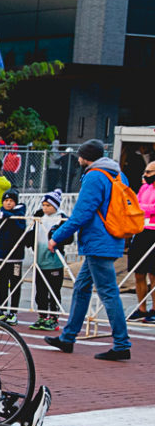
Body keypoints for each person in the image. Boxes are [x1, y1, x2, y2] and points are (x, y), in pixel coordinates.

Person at [44, 140, 134, 360]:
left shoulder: (94, 176)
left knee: (108, 292)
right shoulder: (118, 175)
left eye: (80, 155)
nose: (78, 158)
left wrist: (57, 237)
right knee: (82, 287)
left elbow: (82, 213)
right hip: (112, 237)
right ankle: (68, 337)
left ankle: (122, 343)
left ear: (86, 156)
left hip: (97, 241)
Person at [26, 191, 69, 331]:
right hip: (39, 260)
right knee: (40, 291)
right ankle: (42, 316)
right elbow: (32, 232)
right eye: (44, 205)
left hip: (54, 261)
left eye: (49, 205)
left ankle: (53, 317)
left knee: (54, 290)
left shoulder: (62, 218)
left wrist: (58, 239)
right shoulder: (39, 216)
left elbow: (69, 237)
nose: (46, 208)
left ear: (56, 206)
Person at [0, 189, 27, 322]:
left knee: (15, 283)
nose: (8, 203)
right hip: (0, 254)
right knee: (2, 283)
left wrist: (7, 215)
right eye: (6, 201)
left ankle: (13, 312)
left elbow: (21, 228)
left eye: (11, 201)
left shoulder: (20, 214)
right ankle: (3, 310)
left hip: (15, 256)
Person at [128, 161, 155, 322]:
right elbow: (135, 205)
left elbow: (145, 208)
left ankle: (154, 309)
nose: (145, 175)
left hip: (153, 232)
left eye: (149, 172)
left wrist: (141, 208)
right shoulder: (144, 187)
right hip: (141, 231)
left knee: (153, 274)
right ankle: (142, 308)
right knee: (138, 272)